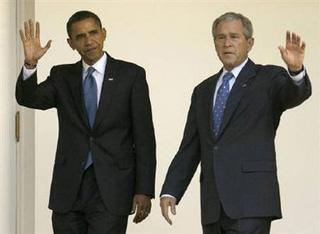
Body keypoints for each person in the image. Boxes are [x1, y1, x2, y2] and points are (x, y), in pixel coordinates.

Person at [160, 12, 311, 234]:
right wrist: (171, 191)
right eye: (220, 38)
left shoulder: (267, 78)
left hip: (251, 202)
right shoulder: (203, 91)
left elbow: (294, 94)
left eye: (234, 37)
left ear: (249, 43)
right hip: (213, 205)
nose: (227, 43)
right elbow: (191, 147)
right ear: (214, 44)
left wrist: (296, 72)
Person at [16, 10, 156, 234]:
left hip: (112, 188)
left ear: (104, 34)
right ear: (71, 43)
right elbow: (29, 98)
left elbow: (145, 137)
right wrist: (30, 64)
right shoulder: (62, 76)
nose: (89, 41)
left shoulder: (131, 75)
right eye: (80, 36)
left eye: (93, 33)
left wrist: (144, 189)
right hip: (69, 189)